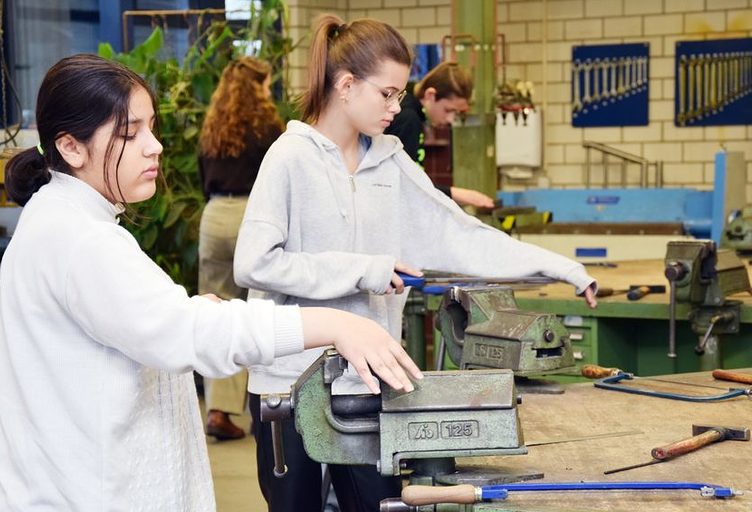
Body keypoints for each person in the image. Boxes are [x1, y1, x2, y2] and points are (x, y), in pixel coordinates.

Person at [0, 53, 421, 512]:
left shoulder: (65, 222)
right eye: (129, 133)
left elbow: (152, 322)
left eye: (151, 128)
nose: (154, 146)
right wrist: (337, 325)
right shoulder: (79, 239)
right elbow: (187, 333)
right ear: (72, 148)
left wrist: (192, 312)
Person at [233, 14, 597, 512]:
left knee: (380, 506)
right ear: (345, 85)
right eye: (386, 93)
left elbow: (459, 233)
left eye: (400, 94)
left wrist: (558, 267)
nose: (395, 106)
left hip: (368, 384)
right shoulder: (289, 158)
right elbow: (254, 264)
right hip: (289, 386)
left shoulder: (391, 161)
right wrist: (365, 268)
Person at [197, 57, 284, 440]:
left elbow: (202, 175)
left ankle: (218, 409)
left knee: (216, 311)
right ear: (259, 86)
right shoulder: (268, 127)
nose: (269, 91)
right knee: (261, 309)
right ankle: (268, 401)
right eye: (267, 85)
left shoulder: (213, 124)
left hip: (214, 215)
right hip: (252, 215)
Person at [385, 60, 495, 209]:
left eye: (456, 113)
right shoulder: (408, 119)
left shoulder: (413, 113)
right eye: (448, 110)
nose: (450, 120)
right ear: (431, 95)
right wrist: (458, 194)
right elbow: (404, 182)